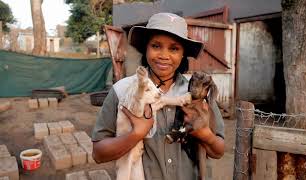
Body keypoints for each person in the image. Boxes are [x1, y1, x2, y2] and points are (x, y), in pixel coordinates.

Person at [91, 12, 225, 180]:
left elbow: (218, 151)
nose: (164, 55)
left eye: (174, 48)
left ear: (183, 53)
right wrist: (136, 134)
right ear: (145, 48)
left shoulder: (197, 93)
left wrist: (204, 134)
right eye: (156, 46)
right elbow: (98, 154)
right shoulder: (123, 91)